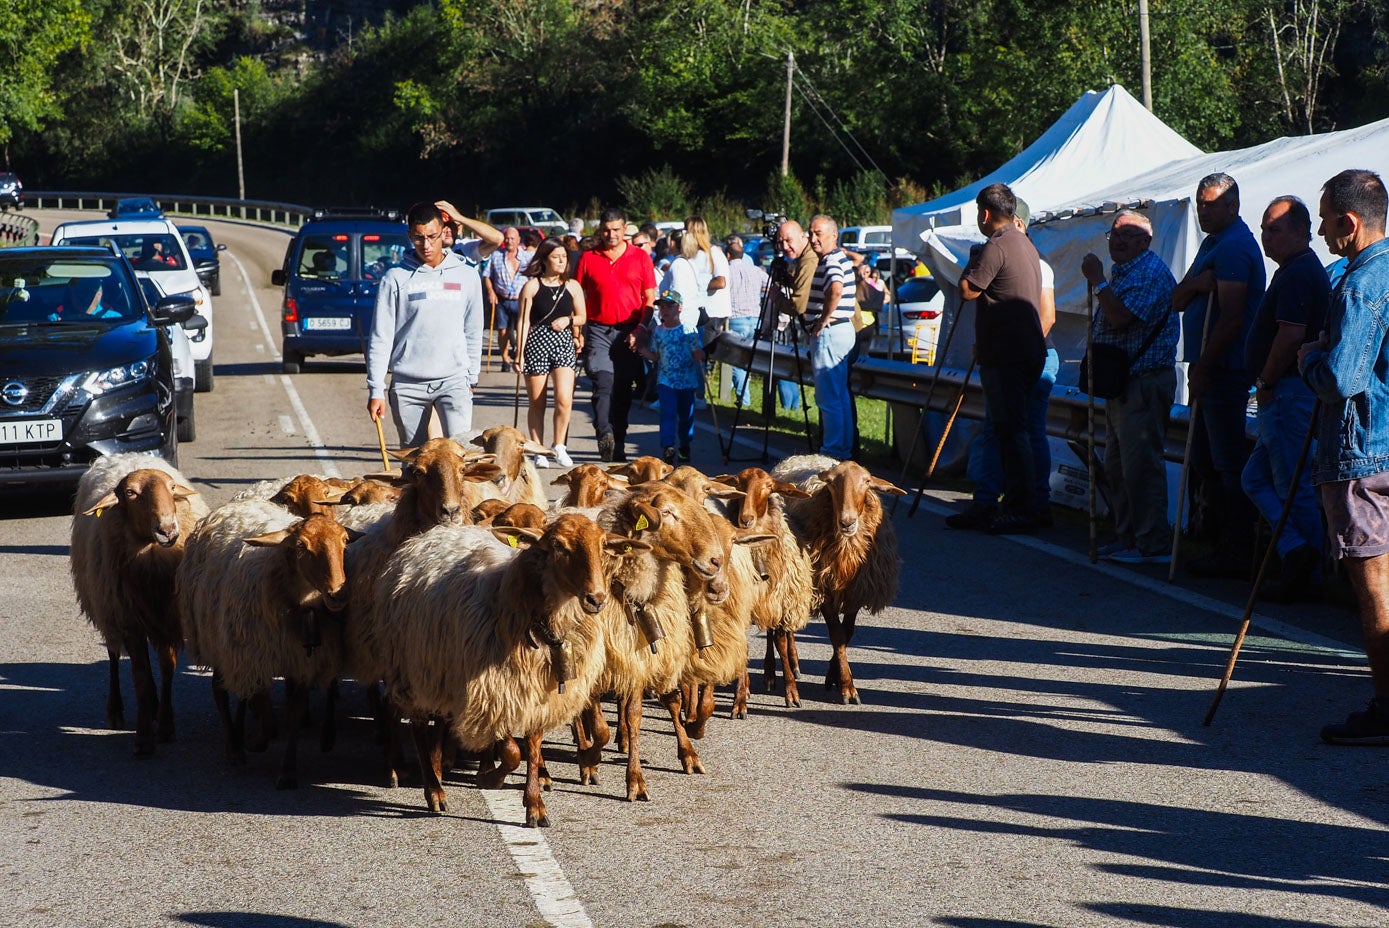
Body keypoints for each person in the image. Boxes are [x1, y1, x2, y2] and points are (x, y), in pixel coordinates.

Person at [1298, 169, 1389, 745]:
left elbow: (1339, 377)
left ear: (1350, 223)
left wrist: (1309, 356)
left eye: (1327, 219)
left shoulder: (1360, 283)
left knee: (1375, 585)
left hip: (1364, 452)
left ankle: (1386, 709)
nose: (1324, 231)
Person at [1171, 173, 1266, 576]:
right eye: (1199, 203)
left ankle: (1236, 549)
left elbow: (1229, 321)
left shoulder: (1233, 248)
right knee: (1208, 460)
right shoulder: (1212, 244)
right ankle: (1216, 538)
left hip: (1224, 371)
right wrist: (1198, 284)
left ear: (1233, 206)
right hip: (1208, 368)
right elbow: (1175, 299)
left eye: (1211, 204)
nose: (1203, 211)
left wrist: (1204, 369)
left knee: (1226, 462)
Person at [949, 200, 1060, 530]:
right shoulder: (1017, 254)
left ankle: (1033, 503)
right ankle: (989, 500)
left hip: (1030, 355)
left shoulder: (1026, 259)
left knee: (1023, 432)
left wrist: (1022, 346)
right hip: (1018, 353)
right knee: (1001, 430)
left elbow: (1047, 317)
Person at [1078, 209, 1180, 562]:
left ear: (1145, 242)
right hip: (1122, 382)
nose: (1117, 242)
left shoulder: (1150, 273)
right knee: (1118, 466)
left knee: (1140, 467)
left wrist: (1098, 282)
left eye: (1127, 235)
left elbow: (1120, 318)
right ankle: (1128, 537)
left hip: (1144, 381)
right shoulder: (1125, 270)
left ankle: (1152, 543)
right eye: (1114, 234)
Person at [1240, 196, 1329, 601]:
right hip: (1284, 391)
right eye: (1263, 228)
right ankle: (1297, 550)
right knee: (1256, 477)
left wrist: (1266, 378)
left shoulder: (1298, 273)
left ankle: (1308, 571)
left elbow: (1291, 335)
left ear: (1300, 230)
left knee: (1291, 483)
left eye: (1274, 229)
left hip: (1289, 391)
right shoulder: (1293, 270)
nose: (1265, 237)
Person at [366, 201, 484, 446]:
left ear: (444, 232)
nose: (427, 245)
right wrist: (376, 388)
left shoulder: (467, 275)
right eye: (419, 238)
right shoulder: (395, 278)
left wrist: (471, 377)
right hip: (408, 384)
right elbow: (381, 336)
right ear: (410, 236)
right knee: (414, 465)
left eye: (432, 236)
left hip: (454, 380)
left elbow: (473, 330)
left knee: (461, 460)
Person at [574, 207, 656, 462]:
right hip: (598, 329)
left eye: (616, 230)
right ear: (601, 230)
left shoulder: (640, 258)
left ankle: (618, 441)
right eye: (606, 230)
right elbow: (576, 294)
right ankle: (604, 431)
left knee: (622, 389)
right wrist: (578, 330)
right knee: (603, 381)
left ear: (625, 229)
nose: (611, 235)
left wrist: (641, 329)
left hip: (630, 330)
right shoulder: (589, 258)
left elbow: (649, 298)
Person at [515, 239, 586, 469]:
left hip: (563, 342)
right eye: (556, 257)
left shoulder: (573, 286)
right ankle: (538, 448)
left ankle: (559, 445)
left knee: (564, 399)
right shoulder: (532, 287)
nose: (561, 261)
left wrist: (569, 320)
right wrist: (519, 353)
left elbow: (583, 316)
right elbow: (524, 321)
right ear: (544, 259)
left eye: (564, 257)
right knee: (537, 401)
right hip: (537, 343)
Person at [804, 215, 857, 459]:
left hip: (830, 331)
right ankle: (842, 449)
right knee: (839, 395)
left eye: (819, 234)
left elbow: (836, 288)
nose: (814, 239)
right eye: (811, 233)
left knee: (828, 398)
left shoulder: (831, 259)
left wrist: (824, 317)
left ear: (834, 235)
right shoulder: (840, 258)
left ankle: (832, 451)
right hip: (843, 330)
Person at [637, 289, 705, 464]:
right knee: (668, 413)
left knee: (686, 416)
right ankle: (668, 446)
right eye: (662, 307)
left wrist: (699, 354)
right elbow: (655, 356)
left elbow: (699, 353)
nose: (665, 310)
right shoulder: (659, 331)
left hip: (687, 381)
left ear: (680, 308)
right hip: (666, 381)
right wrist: (644, 351)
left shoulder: (689, 329)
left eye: (670, 306)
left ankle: (684, 445)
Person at [771, 220, 818, 412]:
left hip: (825, 330)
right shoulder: (804, 260)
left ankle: (833, 441)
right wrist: (789, 282)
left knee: (830, 396)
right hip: (817, 329)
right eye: (781, 242)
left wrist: (778, 299)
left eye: (789, 240)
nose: (785, 246)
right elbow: (806, 290)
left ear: (802, 237)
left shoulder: (808, 261)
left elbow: (799, 305)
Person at [660, 216, 730, 334]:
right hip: (701, 311)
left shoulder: (712, 253)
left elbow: (721, 282)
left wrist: (697, 288)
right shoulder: (695, 255)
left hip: (712, 311)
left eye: (685, 230)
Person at [725, 234, 769, 406]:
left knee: (738, 360)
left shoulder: (727, 272)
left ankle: (744, 399)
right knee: (747, 358)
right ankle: (743, 395)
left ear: (728, 255)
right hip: (755, 318)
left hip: (737, 318)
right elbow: (770, 285)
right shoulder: (755, 270)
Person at [483, 227, 532, 372]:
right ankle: (505, 359)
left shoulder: (527, 257)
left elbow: (534, 276)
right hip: (502, 299)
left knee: (522, 329)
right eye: (507, 238)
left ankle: (519, 357)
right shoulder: (496, 255)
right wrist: (491, 292)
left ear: (518, 240)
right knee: (502, 331)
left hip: (521, 299)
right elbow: (487, 276)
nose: (509, 241)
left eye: (512, 239)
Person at [435, 200, 504, 267]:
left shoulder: (465, 247)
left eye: (453, 226)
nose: (448, 230)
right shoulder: (427, 250)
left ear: (459, 229)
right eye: (443, 226)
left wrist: (459, 217)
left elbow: (498, 238)